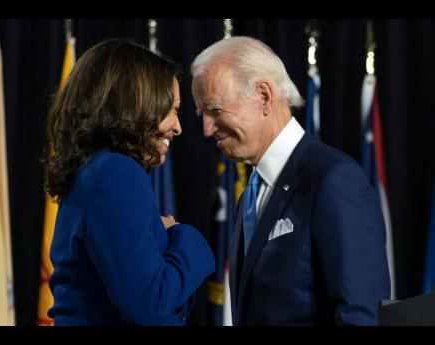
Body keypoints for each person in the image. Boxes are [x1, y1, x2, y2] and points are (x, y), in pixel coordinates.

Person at [190, 36, 390, 325]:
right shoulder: (248, 196)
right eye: (202, 114)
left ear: (264, 96)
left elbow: (361, 313)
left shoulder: (333, 180)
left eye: (215, 110)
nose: (207, 129)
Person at [44, 39, 215, 325]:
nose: (178, 127)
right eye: (172, 109)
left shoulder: (96, 168)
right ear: (137, 104)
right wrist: (184, 236)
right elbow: (150, 305)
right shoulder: (116, 173)